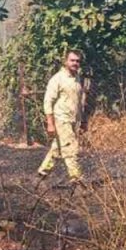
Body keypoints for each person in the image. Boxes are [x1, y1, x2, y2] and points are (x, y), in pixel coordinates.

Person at [37, 49, 86, 184]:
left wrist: (82, 120)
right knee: (71, 148)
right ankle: (76, 178)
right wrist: (50, 123)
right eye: (72, 60)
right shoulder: (57, 79)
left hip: (73, 120)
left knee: (58, 147)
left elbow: (78, 101)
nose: (75, 63)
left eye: (77, 61)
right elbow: (48, 101)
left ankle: (43, 171)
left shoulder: (77, 78)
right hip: (61, 119)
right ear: (65, 61)